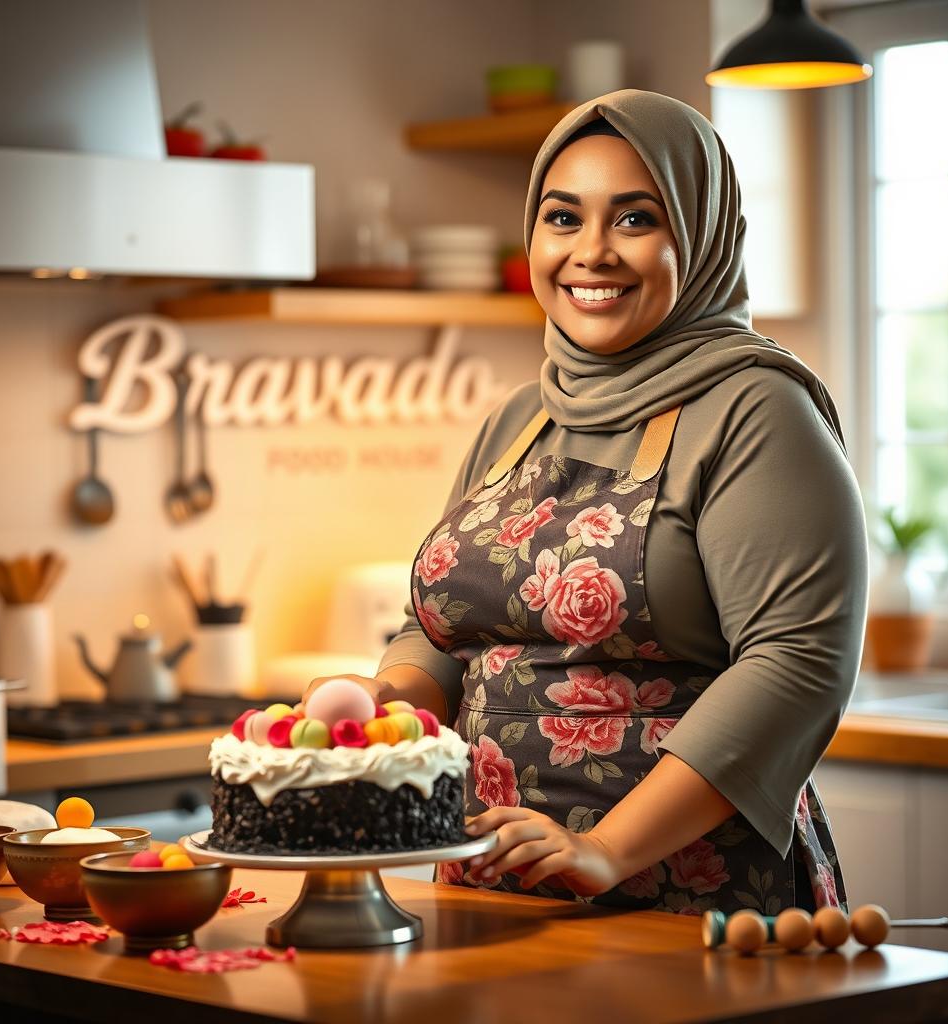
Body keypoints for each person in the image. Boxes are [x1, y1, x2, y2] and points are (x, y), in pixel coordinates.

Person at [305, 90, 868, 916]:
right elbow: (439, 630)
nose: (591, 252)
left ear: (702, 237)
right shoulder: (519, 417)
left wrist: (606, 848)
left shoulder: (755, 409)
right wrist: (391, 703)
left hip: (685, 895)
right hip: (491, 886)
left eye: (635, 220)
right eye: (563, 219)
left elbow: (795, 666)